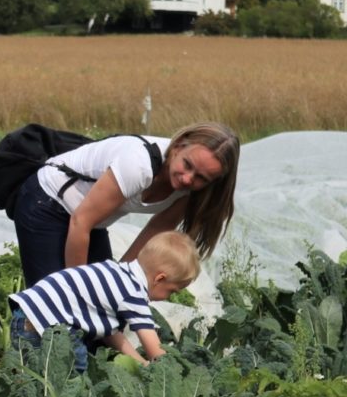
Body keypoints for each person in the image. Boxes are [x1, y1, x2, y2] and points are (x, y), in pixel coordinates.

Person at [13, 122, 239, 289]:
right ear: (179, 146)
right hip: (47, 203)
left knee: (103, 300)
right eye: (187, 165)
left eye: (201, 178)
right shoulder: (138, 165)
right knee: (53, 300)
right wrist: (78, 291)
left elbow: (154, 231)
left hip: (91, 223)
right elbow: (80, 222)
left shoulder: (190, 191)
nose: (188, 179)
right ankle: (31, 348)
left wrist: (118, 283)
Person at [9, 230, 199, 372]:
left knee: (29, 374)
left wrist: (140, 364)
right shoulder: (133, 293)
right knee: (73, 371)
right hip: (47, 323)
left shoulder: (118, 273)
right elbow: (155, 349)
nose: (171, 297)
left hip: (27, 313)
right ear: (160, 279)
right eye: (172, 291)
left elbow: (111, 334)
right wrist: (175, 374)